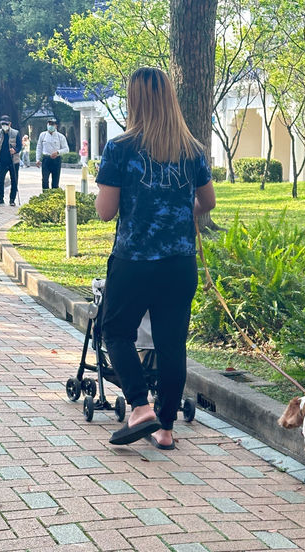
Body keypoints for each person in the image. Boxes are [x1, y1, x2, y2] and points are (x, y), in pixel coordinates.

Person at [95, 67, 215, 449]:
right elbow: (207, 202)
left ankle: (139, 405)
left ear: (134, 100)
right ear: (169, 99)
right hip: (179, 265)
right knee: (171, 344)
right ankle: (165, 429)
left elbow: (105, 211)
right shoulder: (191, 149)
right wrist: (176, 211)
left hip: (134, 262)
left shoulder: (119, 148)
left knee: (114, 332)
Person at [0, 115, 21, 206]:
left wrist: (15, 150)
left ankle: (12, 200)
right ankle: (0, 198)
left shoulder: (15, 133)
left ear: (10, 124)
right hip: (2, 160)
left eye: (6, 124)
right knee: (0, 180)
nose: (4, 125)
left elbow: (19, 146)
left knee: (14, 180)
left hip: (13, 161)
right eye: (3, 124)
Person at [35, 117, 69, 189]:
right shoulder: (42, 135)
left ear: (56, 126)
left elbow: (66, 149)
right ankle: (45, 196)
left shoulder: (60, 136)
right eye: (49, 124)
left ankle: (54, 197)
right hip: (46, 159)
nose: (51, 126)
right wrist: (37, 159)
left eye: (53, 124)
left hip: (56, 159)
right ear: (47, 124)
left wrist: (58, 152)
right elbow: (39, 147)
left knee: (55, 182)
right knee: (44, 180)